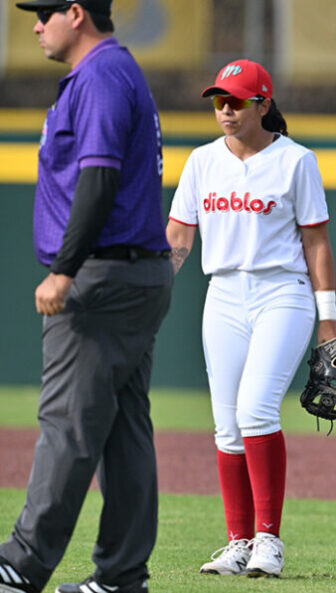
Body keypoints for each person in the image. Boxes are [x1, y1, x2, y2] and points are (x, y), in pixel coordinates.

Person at [0, 2, 174, 593]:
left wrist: (65, 270)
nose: (34, 24)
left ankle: (21, 565)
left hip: (102, 276)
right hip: (133, 273)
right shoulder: (114, 71)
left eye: (43, 12)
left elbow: (97, 179)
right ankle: (122, 575)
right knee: (124, 428)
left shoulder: (100, 74)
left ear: (77, 14)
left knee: (69, 424)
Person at [165, 59, 336, 579]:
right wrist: (152, 292)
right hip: (221, 294)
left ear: (263, 104)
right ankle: (238, 542)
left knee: (257, 410)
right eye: (219, 100)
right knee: (227, 426)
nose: (225, 109)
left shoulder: (296, 161)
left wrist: (327, 317)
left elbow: (316, 241)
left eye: (236, 100)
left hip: (281, 294)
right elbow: (179, 237)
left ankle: (269, 539)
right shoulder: (201, 161)